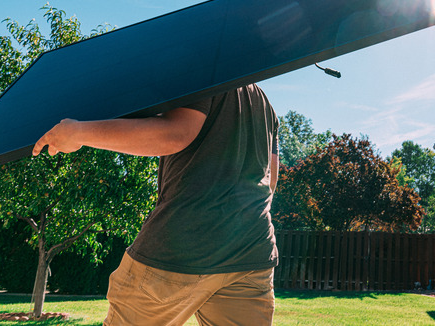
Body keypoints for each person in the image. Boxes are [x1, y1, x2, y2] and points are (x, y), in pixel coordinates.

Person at [33, 84, 279, 326]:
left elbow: (176, 133)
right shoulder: (265, 105)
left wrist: (77, 133)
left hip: (182, 246)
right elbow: (271, 181)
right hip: (252, 250)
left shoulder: (205, 69)